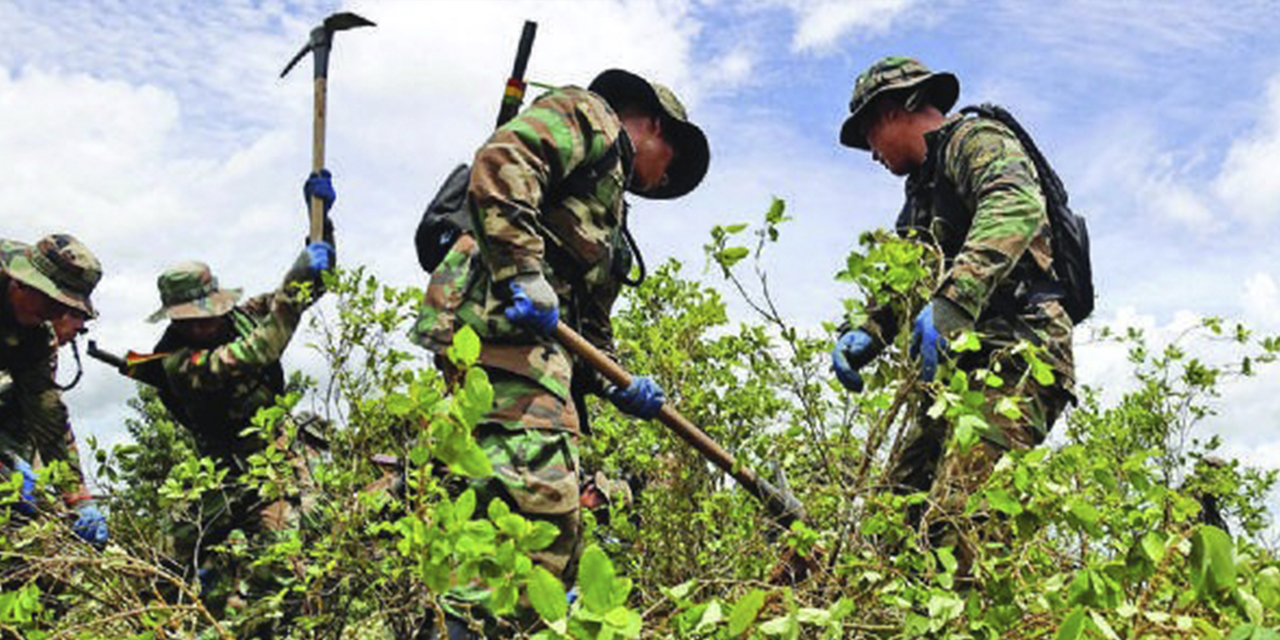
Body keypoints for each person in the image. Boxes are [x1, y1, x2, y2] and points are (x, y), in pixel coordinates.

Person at [412, 68, 709, 636]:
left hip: (539, 353)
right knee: (536, 500)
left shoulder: (610, 218)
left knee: (543, 521)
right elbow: (501, 163)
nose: (662, 180)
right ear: (649, 122)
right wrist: (523, 271)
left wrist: (622, 384)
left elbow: (590, 333)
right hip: (498, 333)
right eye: (670, 161)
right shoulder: (589, 115)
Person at [831, 56, 1075, 574]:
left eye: (868, 133)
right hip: (961, 374)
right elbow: (911, 278)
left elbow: (1014, 204)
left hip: (1020, 354)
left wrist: (953, 300)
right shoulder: (921, 196)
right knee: (896, 516)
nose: (870, 153)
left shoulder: (976, 140)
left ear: (897, 109)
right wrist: (867, 333)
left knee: (964, 518)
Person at [113, 172, 336, 624]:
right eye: (189, 320)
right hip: (217, 472)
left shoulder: (243, 315)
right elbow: (262, 350)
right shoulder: (178, 363)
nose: (201, 326)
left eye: (205, 315)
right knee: (167, 569)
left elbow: (307, 289)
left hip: (274, 463)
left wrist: (321, 227)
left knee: (282, 569)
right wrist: (295, 282)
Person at [0, 233, 108, 545]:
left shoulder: (35, 336)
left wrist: (78, 498)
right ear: (22, 282)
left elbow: (47, 416)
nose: (57, 316)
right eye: (52, 301)